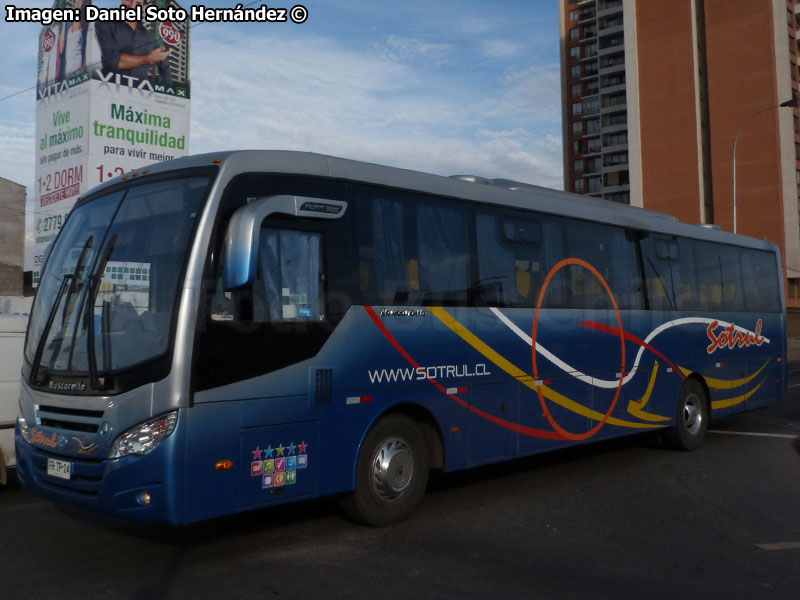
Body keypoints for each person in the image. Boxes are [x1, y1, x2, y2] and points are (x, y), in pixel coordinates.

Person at [94, 0, 172, 85]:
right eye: (129, 0)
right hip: (108, 91)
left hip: (140, 95)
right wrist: (148, 58)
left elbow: (165, 69)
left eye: (138, 4)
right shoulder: (104, 23)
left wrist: (164, 95)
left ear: (144, 7)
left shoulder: (149, 37)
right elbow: (112, 61)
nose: (132, 6)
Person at [60, 0, 92, 77]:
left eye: (81, 1)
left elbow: (87, 51)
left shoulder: (86, 25)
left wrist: (83, 71)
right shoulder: (68, 22)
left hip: (77, 70)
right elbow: (61, 50)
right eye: (77, 0)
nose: (77, 3)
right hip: (66, 71)